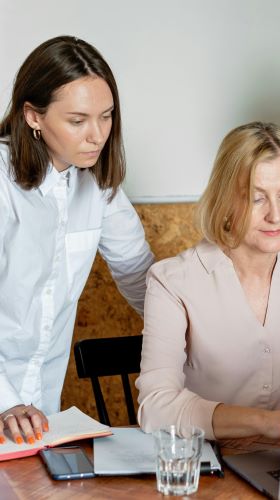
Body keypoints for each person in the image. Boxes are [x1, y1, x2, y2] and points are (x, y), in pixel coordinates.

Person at [136, 122, 280, 440]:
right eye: (257, 199)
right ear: (226, 201)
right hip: (210, 467)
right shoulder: (172, 282)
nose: (276, 215)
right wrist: (266, 423)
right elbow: (156, 407)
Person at [0, 36, 154, 445]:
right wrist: (5, 401)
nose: (97, 135)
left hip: (38, 414)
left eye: (106, 116)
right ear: (33, 115)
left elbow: (141, 276)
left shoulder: (97, 185)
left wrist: (204, 336)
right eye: (78, 120)